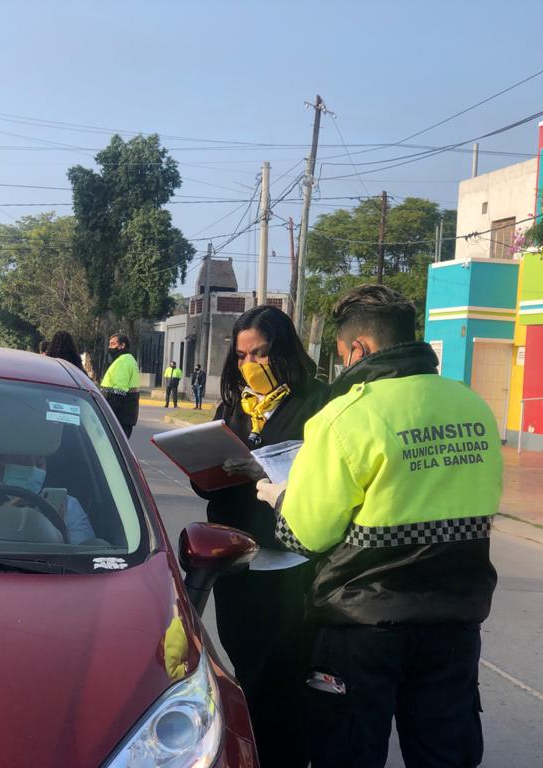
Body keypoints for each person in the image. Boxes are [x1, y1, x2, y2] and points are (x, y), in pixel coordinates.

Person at [260, 284, 503, 768]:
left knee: (346, 754)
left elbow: (305, 535)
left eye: (341, 356)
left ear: (359, 348)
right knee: (445, 756)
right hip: (454, 624)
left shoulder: (346, 417)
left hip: (361, 628)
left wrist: (280, 498)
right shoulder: (472, 406)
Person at [191, 304, 329, 768]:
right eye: (242, 355)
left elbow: (327, 480)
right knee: (247, 669)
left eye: (261, 353)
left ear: (284, 350)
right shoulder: (236, 405)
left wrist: (266, 471)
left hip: (290, 566)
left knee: (282, 679)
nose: (251, 364)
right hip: (236, 563)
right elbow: (207, 484)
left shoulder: (317, 403)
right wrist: (206, 468)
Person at [99, 333, 140, 439]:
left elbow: (118, 392)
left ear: (122, 345)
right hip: (125, 416)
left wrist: (108, 414)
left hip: (119, 417)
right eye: (109, 344)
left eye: (113, 344)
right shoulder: (129, 359)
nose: (110, 347)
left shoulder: (123, 361)